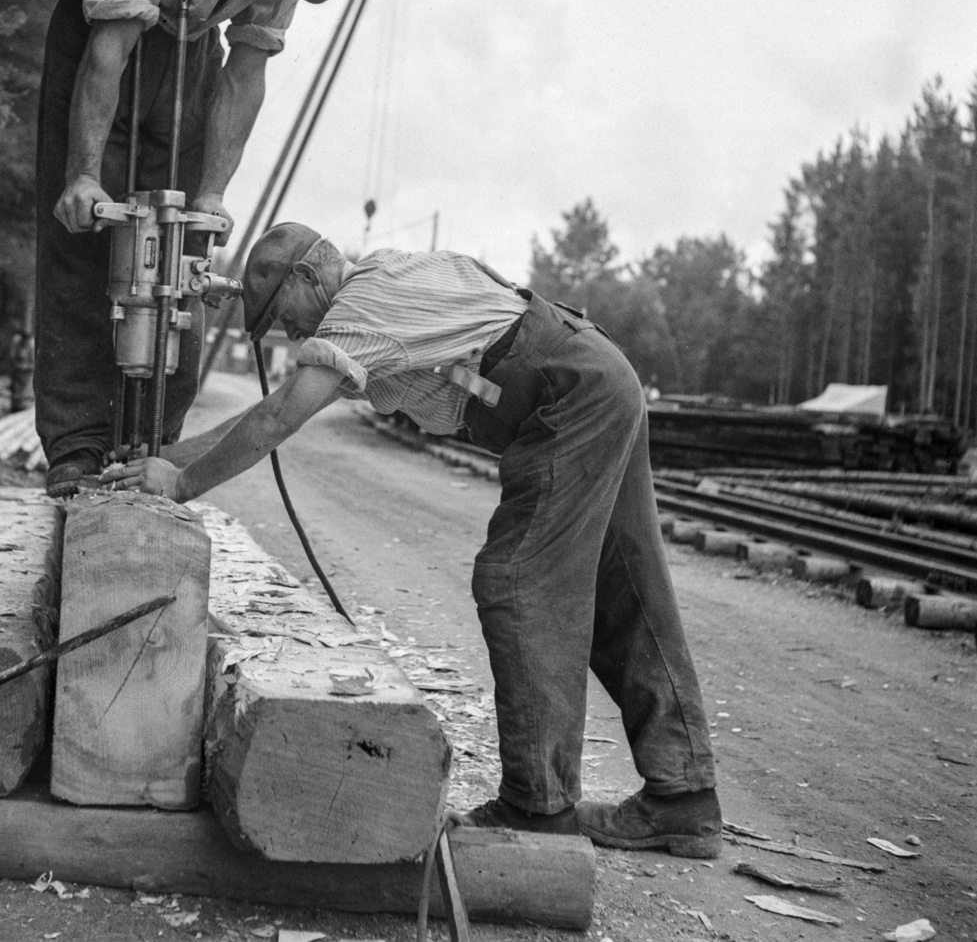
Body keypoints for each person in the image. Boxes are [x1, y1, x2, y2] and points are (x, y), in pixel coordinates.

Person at [103, 222, 722, 856]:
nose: (292, 336)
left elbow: (275, 417)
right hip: (593, 374)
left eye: (285, 317)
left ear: (310, 277)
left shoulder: (360, 310)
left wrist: (182, 485)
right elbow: (261, 413)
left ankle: (538, 807)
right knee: (626, 586)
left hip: (566, 395)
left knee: (518, 582)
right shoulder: (377, 286)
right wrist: (170, 462)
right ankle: (683, 796)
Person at [36, 0, 384, 496]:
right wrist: (83, 175)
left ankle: (153, 446)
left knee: (183, 251)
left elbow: (246, 72)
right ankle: (77, 445)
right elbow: (110, 49)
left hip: (193, 45)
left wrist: (213, 192)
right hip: (105, 31)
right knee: (86, 231)